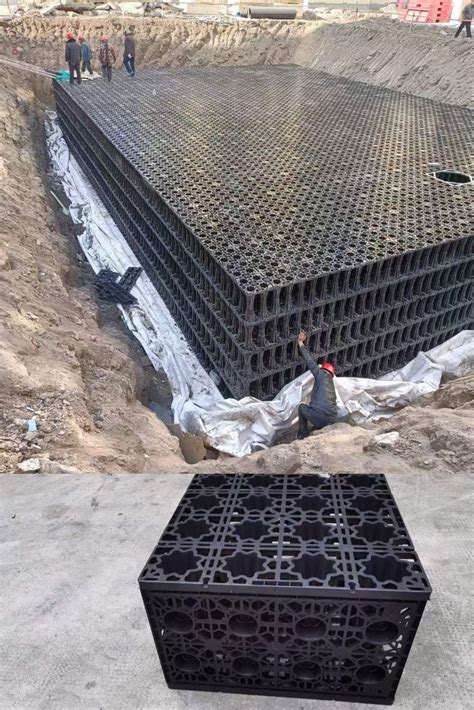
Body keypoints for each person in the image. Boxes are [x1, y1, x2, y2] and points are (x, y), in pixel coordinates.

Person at [296, 330, 338, 439]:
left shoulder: (321, 375)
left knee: (301, 408)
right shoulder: (331, 385)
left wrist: (300, 343)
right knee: (318, 415)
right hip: (332, 419)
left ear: (323, 370)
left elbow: (310, 362)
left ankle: (302, 434)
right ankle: (317, 429)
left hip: (320, 416)